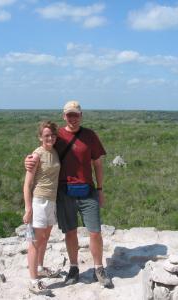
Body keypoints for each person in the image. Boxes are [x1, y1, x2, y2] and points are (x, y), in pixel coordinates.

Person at [25, 101, 113, 288]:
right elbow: (43, 150)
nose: (73, 118)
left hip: (88, 191)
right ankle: (74, 268)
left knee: (95, 232)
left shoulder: (90, 136)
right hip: (64, 192)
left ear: (81, 115)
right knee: (70, 232)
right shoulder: (59, 137)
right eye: (69, 115)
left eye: (76, 114)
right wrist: (28, 159)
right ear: (64, 116)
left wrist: (100, 189)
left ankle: (98, 268)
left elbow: (97, 164)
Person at [23, 121, 60, 295]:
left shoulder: (54, 152)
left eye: (52, 135)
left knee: (45, 237)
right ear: (40, 137)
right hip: (39, 201)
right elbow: (27, 184)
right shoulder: (36, 155)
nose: (50, 138)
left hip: (51, 201)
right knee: (34, 242)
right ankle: (33, 281)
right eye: (46, 135)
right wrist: (28, 208)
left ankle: (39, 267)